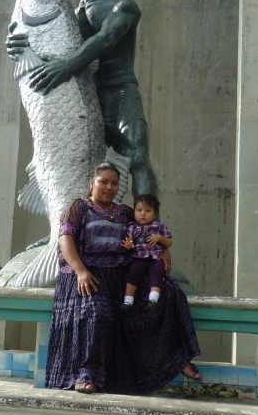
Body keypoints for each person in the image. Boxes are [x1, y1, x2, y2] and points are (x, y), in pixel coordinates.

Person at [6, 0, 158, 197]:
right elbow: (45, 48)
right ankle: (72, 226)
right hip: (84, 98)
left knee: (137, 159)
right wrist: (18, 46)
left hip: (120, 93)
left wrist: (67, 65)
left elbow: (106, 38)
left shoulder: (123, 7)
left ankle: (148, 229)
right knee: (78, 165)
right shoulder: (68, 18)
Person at [45, 162, 201, 395]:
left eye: (114, 183)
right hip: (86, 276)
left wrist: (163, 248)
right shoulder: (78, 208)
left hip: (120, 276)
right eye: (103, 182)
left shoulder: (125, 212)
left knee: (169, 293)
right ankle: (86, 373)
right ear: (92, 184)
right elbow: (65, 240)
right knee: (97, 311)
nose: (109, 187)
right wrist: (80, 270)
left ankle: (175, 359)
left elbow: (150, 228)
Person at [121, 194, 172, 310]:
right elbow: (128, 242)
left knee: (157, 274)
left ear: (155, 213)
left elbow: (169, 243)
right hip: (138, 257)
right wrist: (128, 245)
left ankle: (153, 300)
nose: (142, 214)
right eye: (139, 210)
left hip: (155, 258)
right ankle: (128, 301)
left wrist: (160, 238)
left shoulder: (159, 227)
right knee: (132, 275)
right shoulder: (132, 228)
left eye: (147, 211)